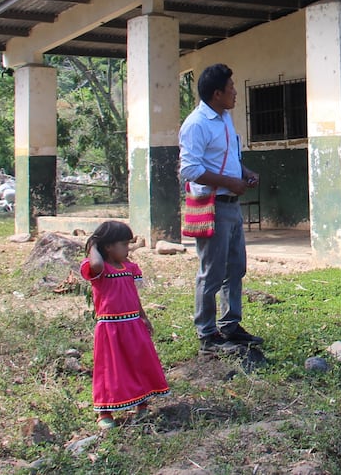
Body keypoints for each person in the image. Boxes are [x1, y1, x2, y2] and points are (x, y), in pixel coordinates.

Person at [179, 63, 263, 355]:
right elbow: (190, 168)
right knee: (211, 272)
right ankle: (206, 334)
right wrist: (229, 181)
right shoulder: (196, 124)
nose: (235, 93)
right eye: (230, 89)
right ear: (217, 94)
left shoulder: (225, 118)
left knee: (235, 266)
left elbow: (227, 158)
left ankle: (230, 325)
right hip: (211, 205)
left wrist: (244, 172)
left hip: (231, 203)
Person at [81, 220, 170, 430]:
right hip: (110, 328)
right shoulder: (100, 271)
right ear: (108, 246)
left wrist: (144, 317)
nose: (128, 248)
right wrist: (93, 244)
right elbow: (96, 264)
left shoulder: (129, 268)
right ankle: (105, 412)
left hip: (133, 324)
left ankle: (142, 404)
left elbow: (133, 295)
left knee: (138, 363)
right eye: (123, 244)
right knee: (110, 368)